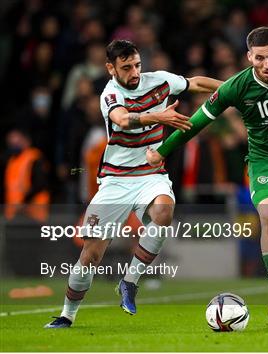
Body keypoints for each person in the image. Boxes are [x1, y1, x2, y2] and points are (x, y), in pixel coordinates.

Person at [147, 27, 268, 322]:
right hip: (266, 162)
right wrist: (161, 151)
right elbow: (197, 123)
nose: (266, 64)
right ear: (249, 57)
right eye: (260, 58)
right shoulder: (236, 87)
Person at [45, 40, 222, 328]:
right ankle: (67, 314)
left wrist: (233, 87)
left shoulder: (159, 81)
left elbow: (196, 83)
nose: (134, 72)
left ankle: (129, 282)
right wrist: (158, 116)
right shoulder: (110, 94)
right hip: (115, 180)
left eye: (137, 65)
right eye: (126, 67)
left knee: (164, 213)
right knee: (91, 254)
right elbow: (123, 120)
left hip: (150, 174)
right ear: (110, 68)